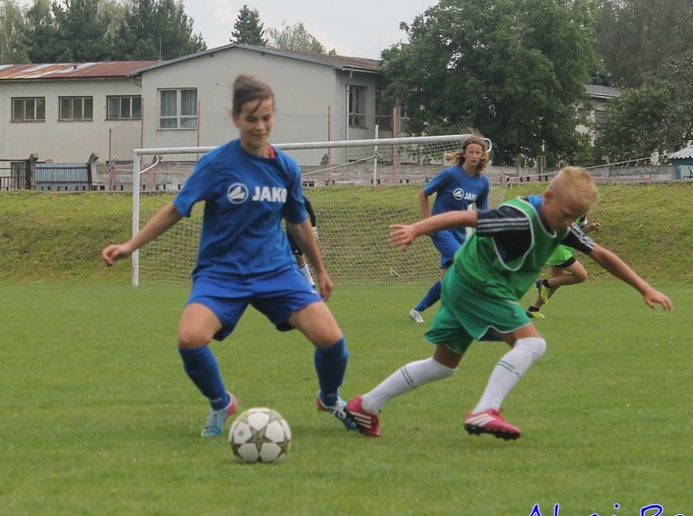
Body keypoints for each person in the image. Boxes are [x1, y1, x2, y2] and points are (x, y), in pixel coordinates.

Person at [101, 74, 358, 437]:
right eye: (252, 119)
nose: (260, 126)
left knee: (333, 342)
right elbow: (176, 209)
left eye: (266, 117)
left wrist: (321, 270)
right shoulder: (217, 164)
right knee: (190, 339)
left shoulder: (285, 168)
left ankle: (330, 399)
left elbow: (298, 221)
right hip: (221, 273)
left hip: (276, 271)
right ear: (236, 118)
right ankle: (221, 402)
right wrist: (130, 245)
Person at [345, 167, 671, 440]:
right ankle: (485, 410)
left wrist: (643, 287)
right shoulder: (517, 218)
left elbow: (600, 254)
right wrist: (416, 228)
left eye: (575, 217)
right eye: (566, 215)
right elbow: (465, 216)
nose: (568, 223)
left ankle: (365, 405)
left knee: (441, 366)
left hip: (465, 284)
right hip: (478, 285)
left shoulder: (561, 225)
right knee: (532, 343)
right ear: (548, 197)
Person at [408, 134, 490, 323]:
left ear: (482, 156)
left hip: (460, 233)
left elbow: (483, 212)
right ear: (464, 154)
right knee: (464, 263)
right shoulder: (451, 174)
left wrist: (486, 234)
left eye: (478, 152)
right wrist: (427, 222)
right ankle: (462, 311)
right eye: (471, 152)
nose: (474, 156)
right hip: (440, 229)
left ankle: (417, 310)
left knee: (447, 276)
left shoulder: (482, 182)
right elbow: (424, 193)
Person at [526, 216, 602, 319]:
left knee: (557, 281)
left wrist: (590, 228)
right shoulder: (563, 209)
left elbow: (579, 230)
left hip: (566, 247)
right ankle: (544, 283)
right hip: (558, 248)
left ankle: (533, 309)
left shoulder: (581, 211)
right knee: (581, 275)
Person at [285, 195, 318, 289]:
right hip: (289, 232)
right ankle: (297, 281)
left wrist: (314, 229)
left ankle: (310, 282)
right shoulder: (284, 199)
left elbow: (311, 214)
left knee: (298, 256)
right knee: (289, 257)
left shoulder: (303, 199)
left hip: (301, 232)